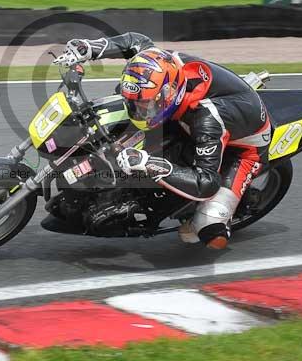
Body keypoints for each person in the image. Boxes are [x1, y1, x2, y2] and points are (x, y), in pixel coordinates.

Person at [56, 32, 271, 249]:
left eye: (146, 106)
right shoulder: (158, 64)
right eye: (135, 104)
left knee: (208, 231)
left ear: (168, 95)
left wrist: (147, 163)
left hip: (243, 149)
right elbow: (134, 40)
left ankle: (205, 216)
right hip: (197, 113)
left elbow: (206, 183)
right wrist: (89, 47)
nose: (138, 111)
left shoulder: (207, 122)